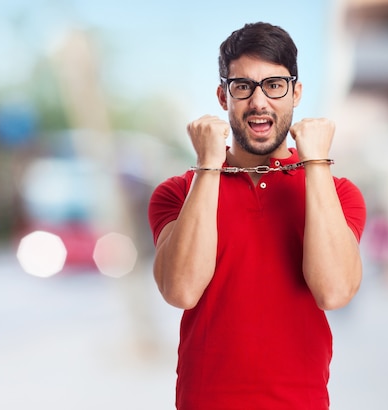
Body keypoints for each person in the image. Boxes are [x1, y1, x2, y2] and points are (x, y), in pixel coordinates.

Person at [148, 22, 366, 410]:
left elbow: (333, 292)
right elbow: (180, 290)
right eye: (243, 86)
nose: (259, 101)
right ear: (223, 96)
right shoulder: (178, 192)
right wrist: (208, 166)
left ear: (296, 93)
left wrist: (316, 163)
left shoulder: (339, 193)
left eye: (275, 85)